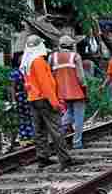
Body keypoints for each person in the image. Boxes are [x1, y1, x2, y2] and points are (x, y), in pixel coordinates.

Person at [20, 35, 77, 169]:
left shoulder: (27, 61)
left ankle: (42, 158)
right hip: (44, 99)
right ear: (39, 46)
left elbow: (28, 83)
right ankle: (65, 160)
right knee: (56, 130)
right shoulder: (38, 61)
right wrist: (55, 102)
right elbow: (45, 84)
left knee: (39, 130)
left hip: (33, 99)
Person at [50, 35, 86, 149]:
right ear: (72, 45)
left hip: (62, 93)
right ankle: (77, 143)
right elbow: (81, 77)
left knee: (69, 113)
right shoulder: (75, 56)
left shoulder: (52, 57)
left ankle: (56, 135)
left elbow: (50, 75)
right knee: (79, 118)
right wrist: (84, 88)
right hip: (77, 91)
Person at [9, 52, 35, 146]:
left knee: (30, 116)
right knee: (22, 117)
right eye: (21, 58)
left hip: (29, 96)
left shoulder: (26, 70)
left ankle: (31, 137)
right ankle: (24, 138)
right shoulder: (14, 72)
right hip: (20, 97)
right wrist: (13, 100)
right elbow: (12, 87)